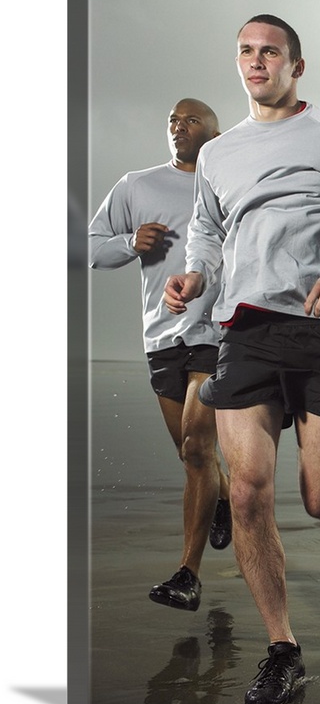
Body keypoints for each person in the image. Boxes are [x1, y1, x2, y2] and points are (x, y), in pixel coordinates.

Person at [164, 14, 320, 704]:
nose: (256, 60)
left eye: (270, 51)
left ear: (296, 66)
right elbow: (207, 230)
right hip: (244, 328)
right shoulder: (219, 154)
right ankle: (282, 649)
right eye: (245, 50)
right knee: (245, 491)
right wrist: (196, 276)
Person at [88, 98, 232, 613]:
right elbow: (91, 248)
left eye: (191, 120)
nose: (179, 127)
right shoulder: (136, 185)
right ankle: (226, 500)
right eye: (172, 120)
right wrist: (130, 240)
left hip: (216, 331)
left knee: (197, 446)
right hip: (160, 335)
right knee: (192, 455)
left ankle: (186, 575)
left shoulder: (229, 179)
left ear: (215, 133)